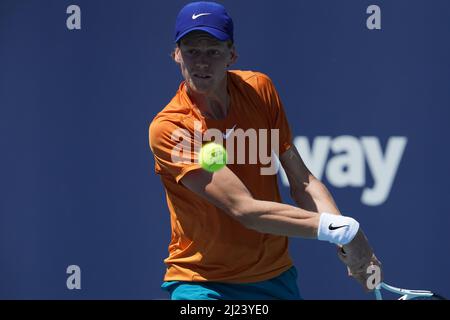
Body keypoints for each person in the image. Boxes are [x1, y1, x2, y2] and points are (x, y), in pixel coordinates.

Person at [149, 1, 382, 300]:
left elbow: (303, 181)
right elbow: (243, 209)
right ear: (176, 55)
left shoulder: (260, 90)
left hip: (275, 278)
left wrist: (349, 249)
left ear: (232, 54)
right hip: (203, 284)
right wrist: (344, 231)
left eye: (213, 51)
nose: (202, 62)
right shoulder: (171, 128)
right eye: (192, 50)